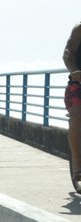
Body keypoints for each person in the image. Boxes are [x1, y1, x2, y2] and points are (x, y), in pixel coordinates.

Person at [63, 22, 81, 181]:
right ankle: (77, 165)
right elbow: (68, 52)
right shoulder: (79, 29)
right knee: (76, 118)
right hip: (79, 83)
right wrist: (74, 70)